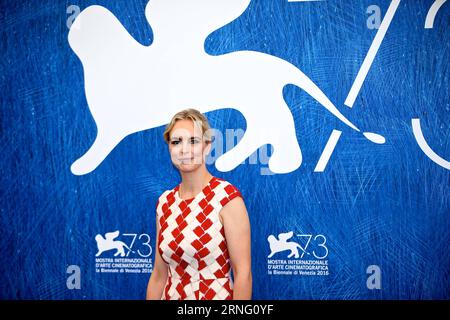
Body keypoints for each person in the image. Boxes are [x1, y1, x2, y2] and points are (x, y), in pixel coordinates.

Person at [146, 108, 252, 300]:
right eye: (176, 142)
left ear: (207, 146)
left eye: (193, 141)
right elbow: (159, 276)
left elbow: (243, 274)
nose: (184, 149)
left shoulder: (226, 197)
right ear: (169, 148)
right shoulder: (165, 203)